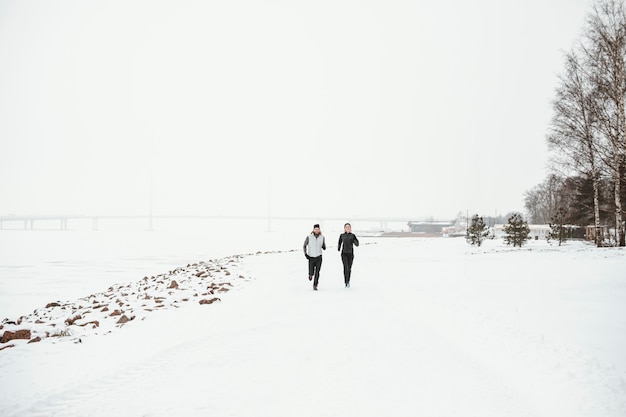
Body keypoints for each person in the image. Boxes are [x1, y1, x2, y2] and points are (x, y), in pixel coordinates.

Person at [303, 224, 326, 290]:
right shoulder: (309, 237)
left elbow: (324, 245)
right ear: (313, 229)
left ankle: (315, 285)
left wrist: (324, 247)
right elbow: (304, 245)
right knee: (311, 271)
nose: (316, 230)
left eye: (318, 229)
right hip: (311, 257)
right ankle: (310, 275)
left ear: (319, 230)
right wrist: (305, 254)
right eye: (315, 229)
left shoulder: (322, 237)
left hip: (319, 257)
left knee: (317, 272)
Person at [337, 222, 359, 288]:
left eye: (349, 227)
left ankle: (348, 281)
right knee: (345, 268)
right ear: (344, 228)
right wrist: (338, 248)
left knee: (349, 269)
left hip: (350, 254)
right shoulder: (342, 235)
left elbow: (357, 243)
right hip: (344, 254)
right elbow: (339, 242)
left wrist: (354, 241)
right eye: (346, 227)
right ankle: (346, 282)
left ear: (350, 228)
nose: (347, 228)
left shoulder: (353, 235)